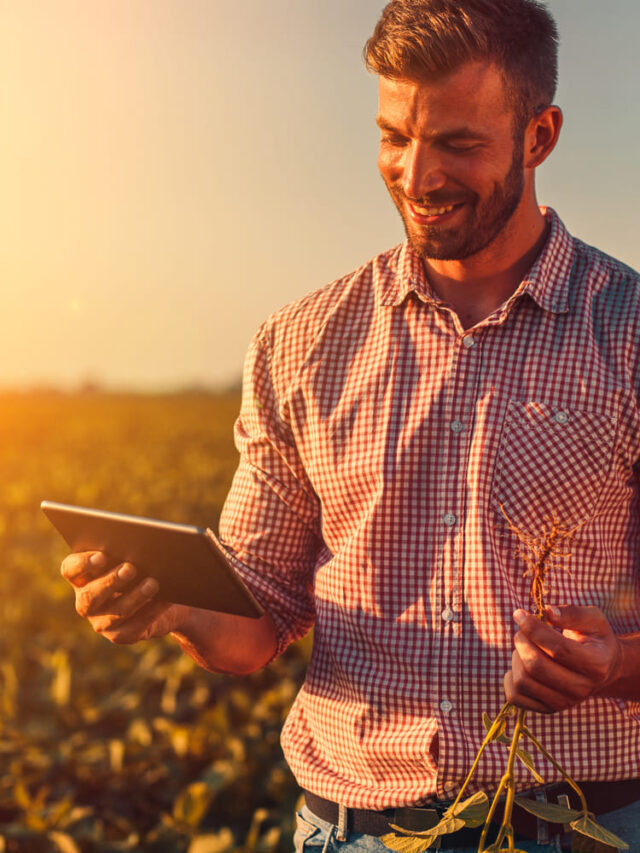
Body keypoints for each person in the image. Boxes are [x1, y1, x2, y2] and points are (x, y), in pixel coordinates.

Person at [61, 1, 640, 850]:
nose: (416, 174)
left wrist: (616, 666)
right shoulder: (299, 341)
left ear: (539, 135)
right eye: (395, 137)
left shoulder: (625, 329)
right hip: (351, 831)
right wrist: (172, 605)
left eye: (458, 143)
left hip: (584, 827)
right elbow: (257, 620)